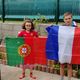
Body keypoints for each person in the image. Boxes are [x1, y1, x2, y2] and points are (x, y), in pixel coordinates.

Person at [60, 12, 77, 80]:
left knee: (69, 65)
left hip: (71, 49)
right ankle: (62, 78)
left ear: (72, 19)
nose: (68, 20)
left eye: (69, 18)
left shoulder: (75, 28)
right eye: (66, 19)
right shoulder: (61, 28)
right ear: (64, 20)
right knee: (62, 65)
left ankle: (69, 79)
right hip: (63, 49)